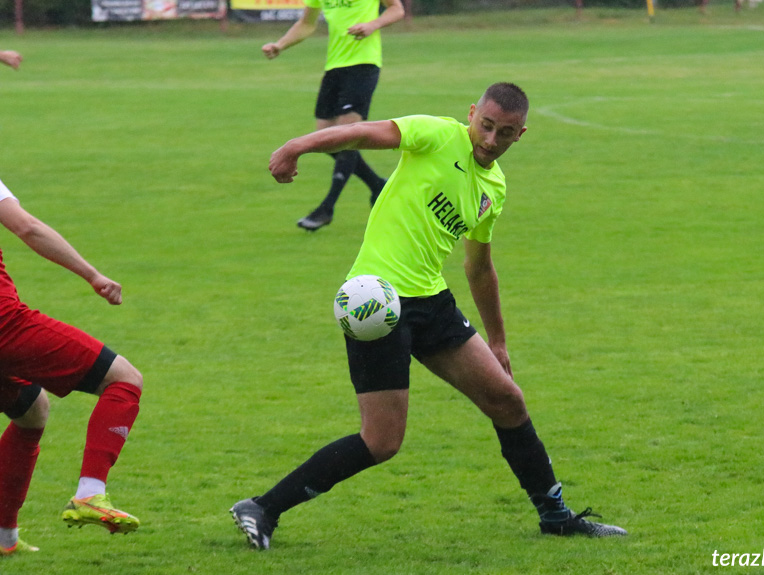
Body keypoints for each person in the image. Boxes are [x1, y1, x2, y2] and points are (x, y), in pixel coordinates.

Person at [230, 82, 627, 550]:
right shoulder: (434, 135)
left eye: (505, 133)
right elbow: (363, 134)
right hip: (377, 299)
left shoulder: (493, 188)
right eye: (486, 126)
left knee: (508, 401)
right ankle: (262, 507)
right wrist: (297, 146)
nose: (490, 140)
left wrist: (498, 342)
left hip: (432, 301)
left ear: (521, 134)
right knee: (382, 441)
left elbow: (479, 268)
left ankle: (556, 516)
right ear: (472, 112)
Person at [0, 177, 143, 557]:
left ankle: (3, 539)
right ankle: (90, 493)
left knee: (31, 410)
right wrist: (92, 274)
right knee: (124, 380)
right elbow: (27, 227)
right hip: (4, 325)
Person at [261, 0, 405, 231]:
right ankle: (378, 185)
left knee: (346, 135)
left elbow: (396, 8)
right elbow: (306, 23)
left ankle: (327, 207)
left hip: (363, 64)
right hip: (334, 67)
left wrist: (372, 25)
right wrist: (280, 45)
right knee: (326, 136)